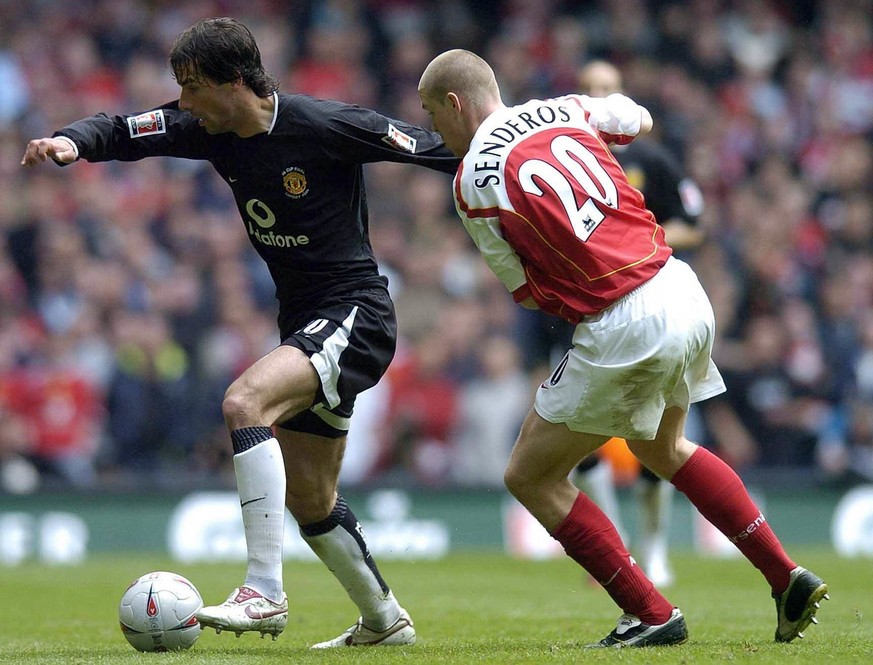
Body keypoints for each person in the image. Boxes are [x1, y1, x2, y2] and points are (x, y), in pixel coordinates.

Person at [23, 17, 460, 649]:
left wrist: (538, 152)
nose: (185, 102)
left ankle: (265, 591)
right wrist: (70, 142)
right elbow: (124, 130)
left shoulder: (322, 123)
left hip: (357, 314)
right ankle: (384, 621)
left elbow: (433, 147)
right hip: (306, 320)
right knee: (311, 498)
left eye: (193, 87)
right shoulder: (210, 130)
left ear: (234, 81)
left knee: (243, 402)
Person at [417, 49, 828, 648]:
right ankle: (784, 574)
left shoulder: (471, 182)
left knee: (530, 474)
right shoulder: (560, 109)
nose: (436, 131)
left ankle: (651, 612)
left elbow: (525, 292)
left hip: (623, 317)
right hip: (681, 287)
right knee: (664, 447)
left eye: (433, 116)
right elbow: (639, 121)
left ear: (455, 103)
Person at [570, 59, 708, 588]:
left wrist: (639, 249)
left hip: (652, 306)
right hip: (585, 312)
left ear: (621, 97)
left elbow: (694, 223)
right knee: (580, 439)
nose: (597, 98)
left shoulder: (651, 159)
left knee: (654, 436)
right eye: (587, 90)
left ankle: (653, 550)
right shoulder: (558, 159)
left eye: (605, 90)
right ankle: (617, 545)